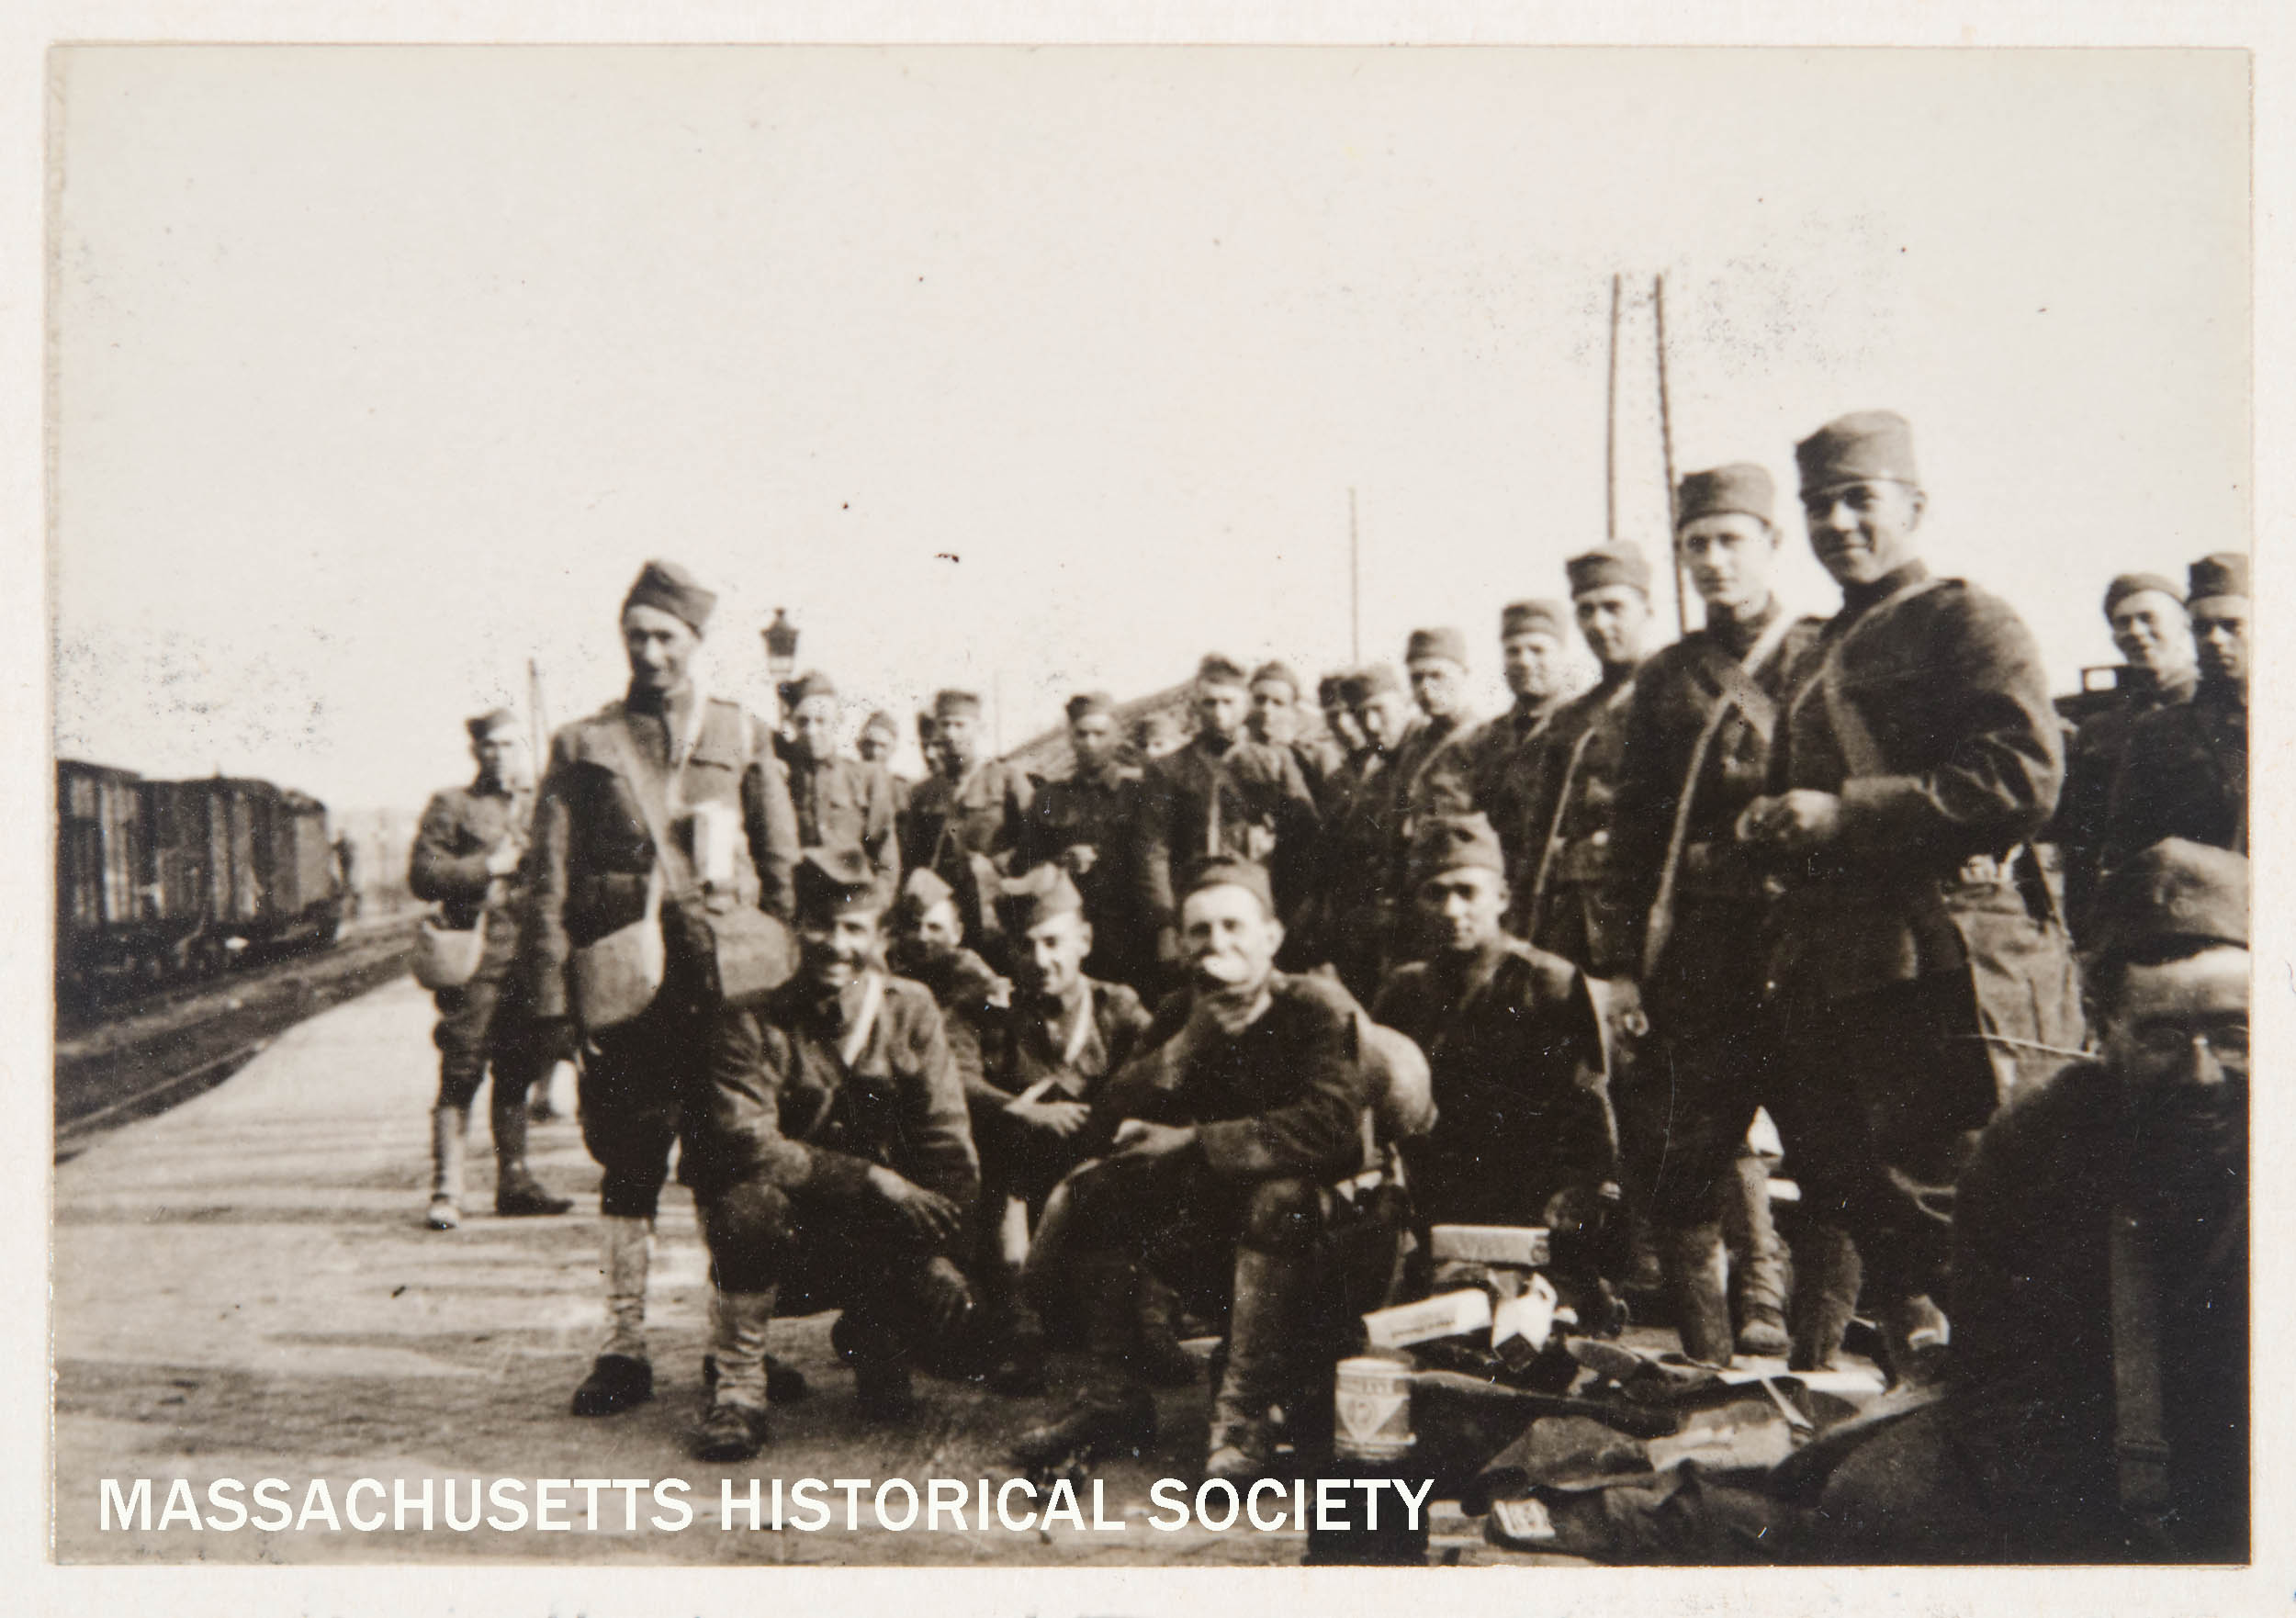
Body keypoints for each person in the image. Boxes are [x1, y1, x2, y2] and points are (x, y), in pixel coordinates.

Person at [1737, 411, 2079, 1382]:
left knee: (1958, 1204)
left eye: (1860, 500)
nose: (1838, 523)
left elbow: (2022, 775)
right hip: (1843, 968)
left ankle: (2015, 1418)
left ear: (1914, 506)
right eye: (1819, 506)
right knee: (1869, 1208)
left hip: (1944, 965)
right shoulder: (1816, 652)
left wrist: (1847, 812)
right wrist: (1772, 820)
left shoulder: (1965, 622)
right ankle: (1925, 1401)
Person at [1817, 839, 2248, 1561]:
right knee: (1882, 1494)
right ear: (2105, 1031)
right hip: (2099, 1451)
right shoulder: (2037, 1148)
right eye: (2164, 1038)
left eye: (2233, 1036)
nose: (2201, 1074)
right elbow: (2003, 1384)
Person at [521, 558, 802, 1421]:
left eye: (665, 637)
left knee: (731, 1165)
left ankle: (733, 1350)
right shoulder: (584, 744)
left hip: (724, 993)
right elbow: (547, 881)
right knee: (628, 1166)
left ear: (694, 641)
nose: (648, 651)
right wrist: (553, 1004)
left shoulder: (741, 733)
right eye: (635, 635)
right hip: (625, 991)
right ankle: (623, 1345)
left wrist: (779, 972)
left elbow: (782, 867)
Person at [1010, 857, 1376, 1481]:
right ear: (1181, 944)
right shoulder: (1184, 1012)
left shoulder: (1313, 1008)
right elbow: (1104, 1123)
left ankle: (1243, 1417)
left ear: (1271, 937)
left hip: (1324, 1242)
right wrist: (1184, 1049)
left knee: (1279, 1198)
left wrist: (1193, 1142)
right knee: (1100, 1190)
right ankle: (1114, 1401)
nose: (1217, 944)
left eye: (1234, 926)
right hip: (1221, 1230)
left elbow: (1332, 1127)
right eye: (1200, 931)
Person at [1605, 464, 1823, 1365]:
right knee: (1686, 1163)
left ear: (1772, 544)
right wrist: (1621, 965)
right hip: (1704, 956)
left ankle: (1818, 1369)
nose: (1712, 560)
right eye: (1695, 544)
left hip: (1810, 946)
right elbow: (1632, 830)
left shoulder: (1827, 651)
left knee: (1834, 1161)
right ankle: (1706, 1367)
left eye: (1731, 540)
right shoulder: (1668, 675)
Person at [690, 847, 983, 1457]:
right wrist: (869, 1176)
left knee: (958, 1342)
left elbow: (947, 1141)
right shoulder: (751, 1020)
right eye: (820, 926)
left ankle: (875, 1331)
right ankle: (739, 1387)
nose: (835, 945)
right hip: (789, 1236)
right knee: (745, 1207)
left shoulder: (909, 1010)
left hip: (882, 1237)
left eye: (853, 929)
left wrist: (941, 1256)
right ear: (798, 928)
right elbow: (748, 1145)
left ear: (879, 936)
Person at [1370, 815, 1615, 1273]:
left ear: (1501, 897)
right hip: (1431, 1207)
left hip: (1532, 1210)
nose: (1452, 910)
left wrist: (1576, 1193)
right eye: (1435, 893)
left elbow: (1589, 1115)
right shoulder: (1404, 992)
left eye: (1467, 892)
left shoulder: (1550, 984)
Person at [966, 865, 1157, 1394]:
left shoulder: (1116, 1006)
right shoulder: (993, 1012)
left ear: (1084, 941)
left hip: (1096, 1181)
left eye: (1053, 942)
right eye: (1025, 946)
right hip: (1021, 1194)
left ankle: (1151, 1314)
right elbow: (952, 1072)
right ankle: (1019, 1326)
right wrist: (1019, 1109)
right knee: (1000, 1154)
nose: (1040, 959)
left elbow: (1157, 1067)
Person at [408, 707, 574, 1230]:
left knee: (519, 1068)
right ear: (476, 751)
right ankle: (447, 1191)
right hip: (477, 957)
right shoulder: (453, 805)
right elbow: (423, 874)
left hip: (533, 957)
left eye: (510, 745)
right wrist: (487, 867)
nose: (501, 756)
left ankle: (515, 1183)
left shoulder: (545, 806)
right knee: (462, 1068)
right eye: (491, 746)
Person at [1512, 543, 1652, 972]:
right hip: (1575, 918)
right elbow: (1540, 834)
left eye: (1613, 607)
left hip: (1649, 910)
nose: (1599, 624)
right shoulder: (1571, 718)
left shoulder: (1678, 689)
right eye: (1586, 611)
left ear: (1647, 610)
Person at [1135, 654, 1320, 963]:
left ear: (1245, 704)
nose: (1219, 714)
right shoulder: (1168, 769)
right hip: (1195, 903)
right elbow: (1153, 850)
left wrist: (1293, 909)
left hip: (1258, 901)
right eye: (1209, 703)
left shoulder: (1274, 760)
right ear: (1195, 707)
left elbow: (1306, 839)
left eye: (1228, 702)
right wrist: (1164, 923)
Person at [2048, 574, 2198, 927]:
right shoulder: (2102, 729)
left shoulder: (2223, 711)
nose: (2135, 631)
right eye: (2123, 622)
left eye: (2147, 618)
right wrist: (2081, 926)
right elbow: (2081, 839)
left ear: (2184, 625)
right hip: (2127, 914)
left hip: (2209, 907)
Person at [2104, 552, 2248, 866]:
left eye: (2231, 625)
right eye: (2202, 628)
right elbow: (2127, 849)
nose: (2215, 639)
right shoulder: (2158, 731)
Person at [1020, 691, 1154, 993]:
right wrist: (1061, 863)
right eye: (1082, 734)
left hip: (1134, 933)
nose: (1091, 743)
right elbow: (1026, 865)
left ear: (1117, 735)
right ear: (1070, 737)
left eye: (1099, 734)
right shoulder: (1048, 798)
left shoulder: (1140, 791)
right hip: (1072, 938)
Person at [900, 689, 1035, 955]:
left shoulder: (1007, 779)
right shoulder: (924, 792)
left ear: (979, 728)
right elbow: (913, 858)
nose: (951, 734)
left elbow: (1035, 842)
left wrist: (998, 866)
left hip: (997, 905)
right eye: (945, 725)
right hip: (945, 908)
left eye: (960, 725)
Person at [1460, 599, 1578, 844]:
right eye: (1513, 651)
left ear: (1562, 656)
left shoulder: (1583, 726)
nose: (1523, 661)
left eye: (1537, 650)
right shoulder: (1483, 740)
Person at [782, 669, 902, 899]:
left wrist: (876, 905)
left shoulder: (865, 778)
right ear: (793, 724)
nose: (811, 731)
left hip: (853, 901)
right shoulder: (783, 778)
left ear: (837, 722)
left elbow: (886, 856)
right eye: (803, 722)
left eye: (821, 721)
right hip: (800, 902)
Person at [1248, 659, 1340, 803]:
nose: (1266, 709)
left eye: (1278, 703)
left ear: (1293, 709)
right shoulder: (1236, 750)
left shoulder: (1315, 755)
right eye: (1259, 700)